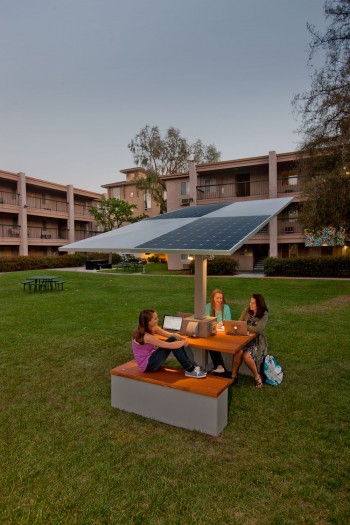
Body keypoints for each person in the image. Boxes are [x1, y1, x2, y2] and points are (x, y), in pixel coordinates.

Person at [132, 309, 207, 379]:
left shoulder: (152, 327)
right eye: (155, 319)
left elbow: (170, 335)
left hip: (151, 357)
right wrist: (183, 343)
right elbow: (169, 345)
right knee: (172, 342)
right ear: (149, 322)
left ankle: (190, 368)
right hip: (148, 366)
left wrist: (183, 339)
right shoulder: (147, 336)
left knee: (172, 339)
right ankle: (190, 369)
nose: (158, 319)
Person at [232, 293, 269, 388]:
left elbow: (258, 329)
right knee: (238, 351)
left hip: (256, 342)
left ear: (259, 304)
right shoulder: (247, 310)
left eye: (254, 303)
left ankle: (257, 377)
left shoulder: (264, 314)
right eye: (250, 302)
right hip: (243, 339)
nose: (251, 305)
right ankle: (233, 376)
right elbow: (239, 323)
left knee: (246, 356)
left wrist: (245, 327)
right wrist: (245, 327)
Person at [206, 289, 232, 375]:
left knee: (214, 342)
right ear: (213, 298)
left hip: (223, 333)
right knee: (210, 342)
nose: (219, 300)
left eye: (221, 298)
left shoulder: (226, 308)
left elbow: (229, 322)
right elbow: (206, 321)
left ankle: (219, 366)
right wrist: (215, 326)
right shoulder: (208, 307)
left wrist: (223, 323)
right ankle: (220, 367)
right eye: (217, 298)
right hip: (212, 333)